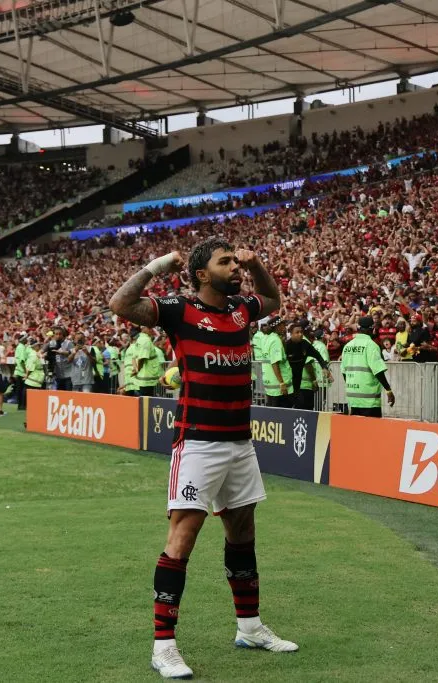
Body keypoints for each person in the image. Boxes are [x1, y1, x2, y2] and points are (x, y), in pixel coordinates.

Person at [109, 237, 296, 680]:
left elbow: (273, 300)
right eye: (225, 262)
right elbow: (121, 304)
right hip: (198, 444)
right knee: (183, 538)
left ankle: (250, 628)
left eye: (235, 261)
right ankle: (164, 647)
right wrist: (157, 265)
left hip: (239, 443)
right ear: (200, 274)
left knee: (242, 533)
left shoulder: (242, 309)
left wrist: (258, 264)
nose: (235, 268)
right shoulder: (178, 310)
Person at [340, 316, 394, 417]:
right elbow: (378, 371)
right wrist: (388, 390)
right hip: (369, 399)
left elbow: (344, 371)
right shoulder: (371, 345)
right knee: (371, 427)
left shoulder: (347, 346)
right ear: (372, 329)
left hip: (352, 397)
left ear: (358, 328)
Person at [284, 322, 331, 410]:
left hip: (300, 382)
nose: (300, 334)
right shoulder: (286, 346)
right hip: (289, 382)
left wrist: (324, 367)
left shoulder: (305, 344)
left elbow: (318, 356)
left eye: (301, 332)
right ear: (291, 334)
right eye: (297, 332)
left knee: (305, 407)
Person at [261, 317, 293, 408]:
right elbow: (274, 363)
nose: (285, 327)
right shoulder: (275, 340)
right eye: (283, 325)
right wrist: (281, 383)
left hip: (270, 384)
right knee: (282, 414)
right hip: (279, 387)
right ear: (278, 326)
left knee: (272, 414)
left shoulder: (266, 338)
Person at [13, 333, 28, 410]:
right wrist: (26, 371)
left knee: (19, 389)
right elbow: (22, 361)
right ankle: (22, 405)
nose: (27, 339)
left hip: (18, 371)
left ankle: (20, 405)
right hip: (22, 372)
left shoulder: (18, 347)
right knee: (23, 389)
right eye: (26, 338)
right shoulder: (22, 347)